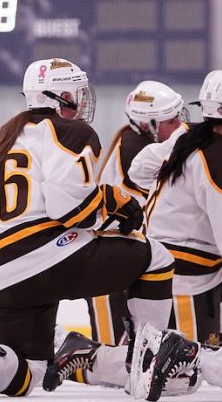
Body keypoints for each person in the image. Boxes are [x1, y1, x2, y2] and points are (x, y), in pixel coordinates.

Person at [0, 57, 175, 398]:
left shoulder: (9, 137)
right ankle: (149, 361)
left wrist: (105, 200)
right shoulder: (70, 131)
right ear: (60, 96)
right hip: (43, 257)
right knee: (157, 257)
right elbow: (70, 208)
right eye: (76, 93)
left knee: (29, 372)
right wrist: (114, 201)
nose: (81, 102)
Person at [128, 69, 222, 401]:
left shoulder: (185, 137)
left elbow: (139, 170)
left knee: (152, 364)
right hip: (187, 273)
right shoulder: (220, 158)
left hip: (151, 257)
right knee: (185, 375)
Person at [89, 80, 187, 346]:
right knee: (116, 361)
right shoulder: (137, 149)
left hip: (120, 258)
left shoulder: (133, 140)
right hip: (108, 265)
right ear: (148, 125)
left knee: (134, 357)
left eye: (179, 117)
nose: (178, 125)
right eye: (171, 120)